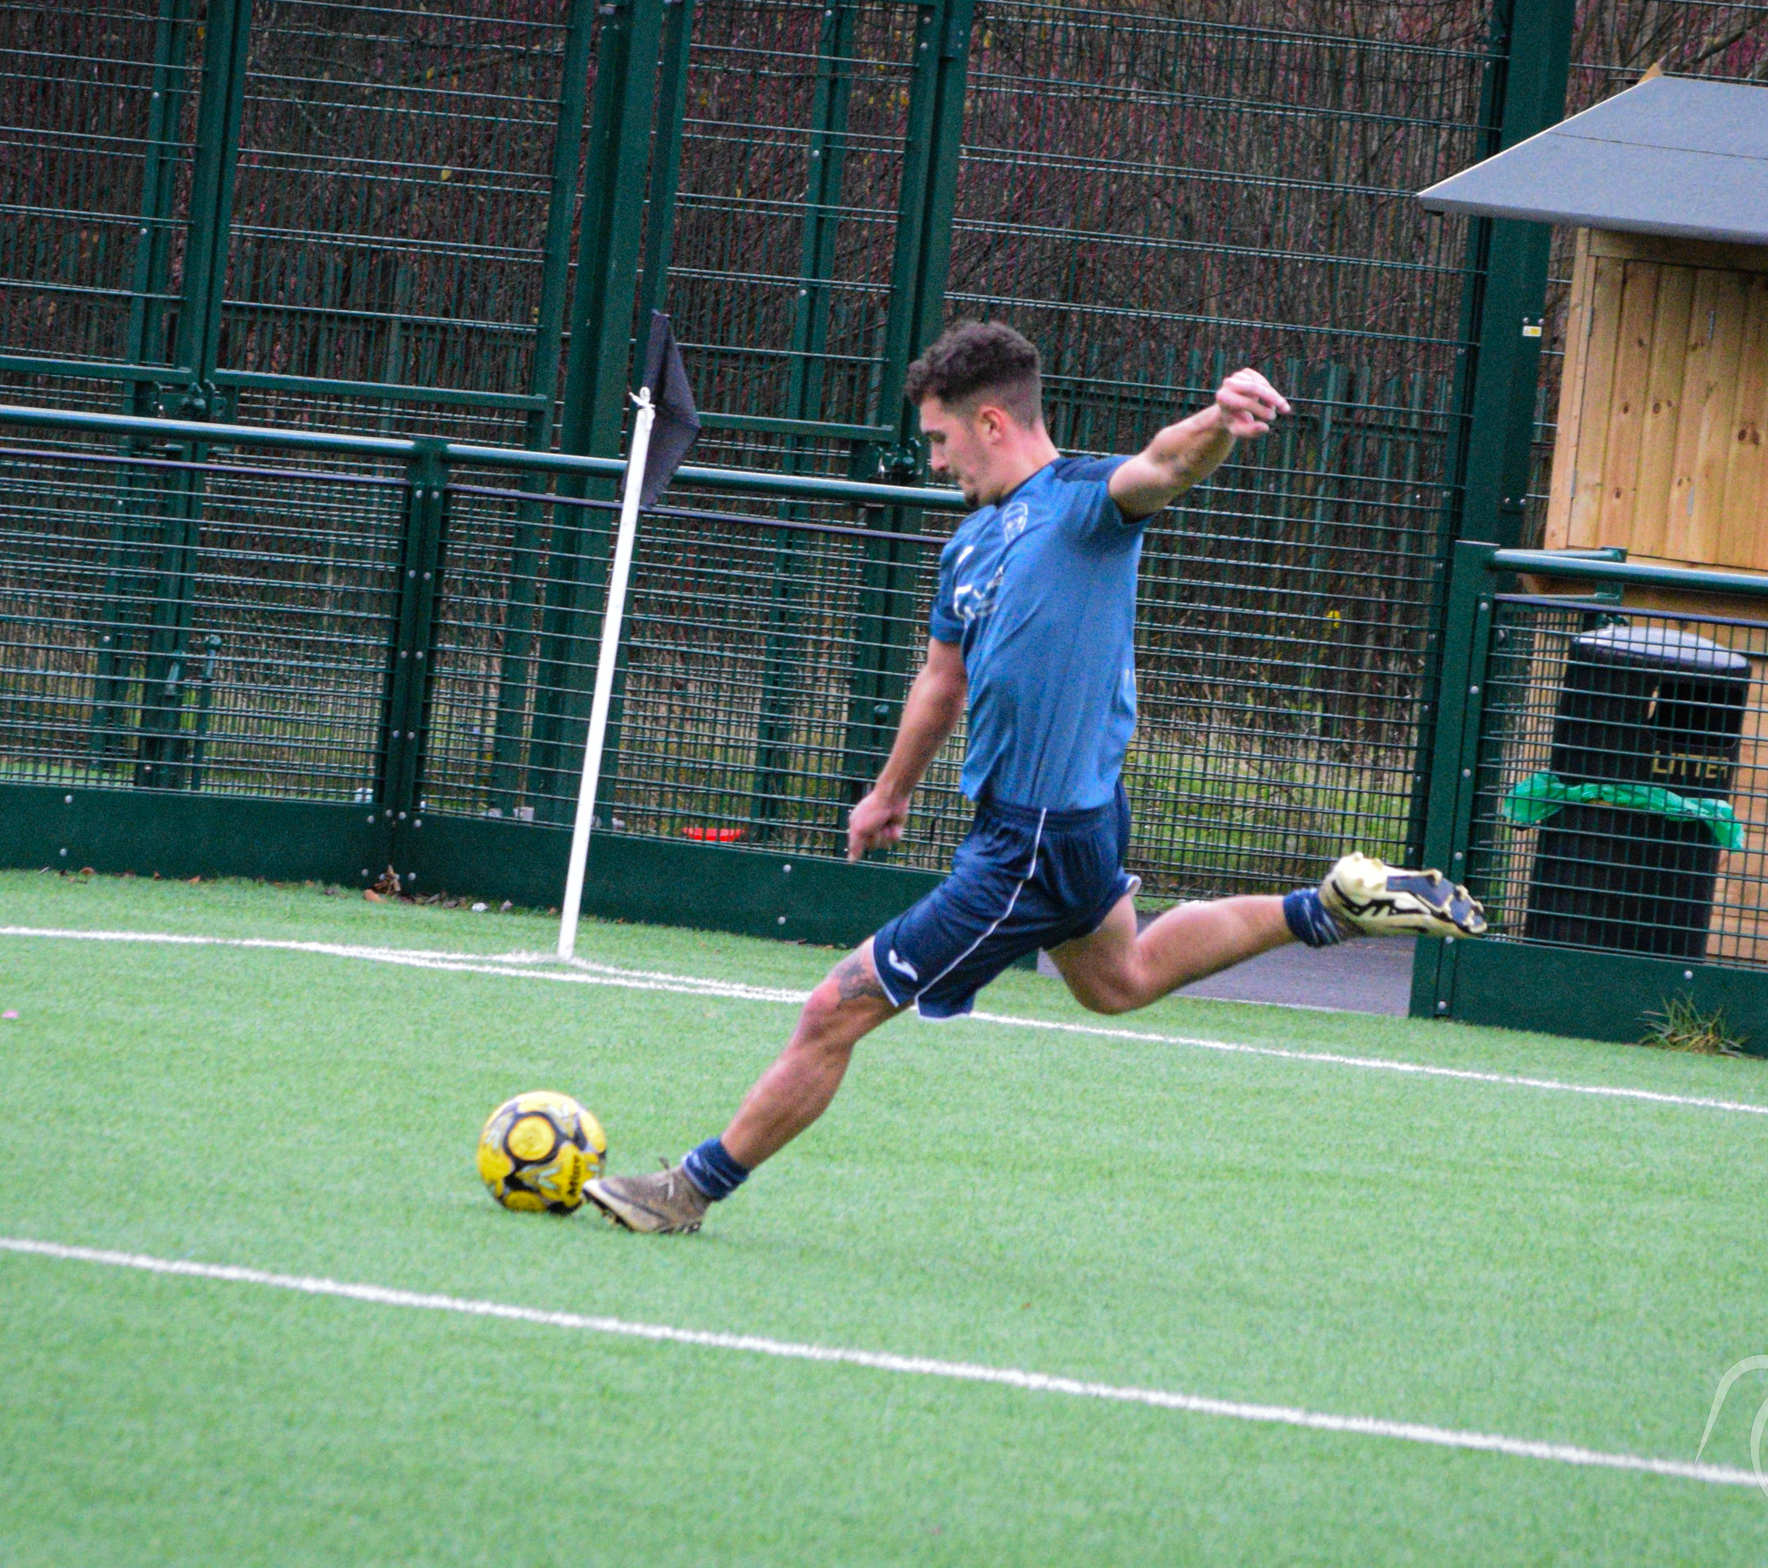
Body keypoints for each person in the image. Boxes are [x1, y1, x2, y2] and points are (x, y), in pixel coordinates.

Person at [584, 321, 1484, 1234]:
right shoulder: (970, 543)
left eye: (940, 439)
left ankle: (689, 1190)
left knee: (832, 1009)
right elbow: (942, 681)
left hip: (1033, 841)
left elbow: (1164, 464)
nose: (936, 461)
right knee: (1118, 978)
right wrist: (889, 792)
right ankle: (1326, 906)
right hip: (1065, 823)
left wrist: (1219, 418)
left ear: (990, 422)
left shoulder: (1084, 506)